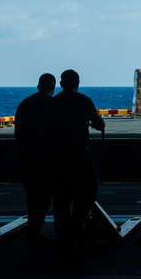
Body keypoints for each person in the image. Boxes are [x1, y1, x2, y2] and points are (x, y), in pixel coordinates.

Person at [44, 69, 105, 261]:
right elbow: (99, 124)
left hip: (57, 160)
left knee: (61, 202)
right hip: (80, 158)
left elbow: (43, 133)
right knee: (86, 197)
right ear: (77, 83)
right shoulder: (83, 100)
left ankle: (62, 240)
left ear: (61, 84)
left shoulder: (52, 104)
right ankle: (76, 234)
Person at [14, 72, 57, 246]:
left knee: (32, 197)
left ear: (38, 86)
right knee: (48, 196)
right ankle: (40, 231)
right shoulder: (52, 105)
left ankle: (34, 230)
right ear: (53, 87)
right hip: (48, 157)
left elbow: (18, 133)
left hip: (28, 156)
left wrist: (20, 154)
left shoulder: (25, 104)